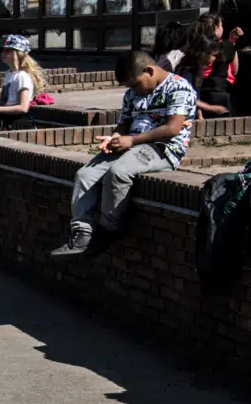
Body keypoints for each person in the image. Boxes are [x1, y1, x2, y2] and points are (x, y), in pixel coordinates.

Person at [51, 51, 196, 260]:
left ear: (148, 70)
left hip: (162, 148)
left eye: (136, 84)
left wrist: (132, 140)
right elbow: (124, 123)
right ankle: (81, 235)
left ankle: (108, 229)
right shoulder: (131, 93)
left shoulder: (178, 87)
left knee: (118, 172)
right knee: (85, 175)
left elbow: (172, 128)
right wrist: (115, 138)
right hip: (131, 143)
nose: (133, 90)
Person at [0, 34, 45, 130]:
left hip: (17, 123)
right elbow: (8, 101)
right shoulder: (9, 73)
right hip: (5, 119)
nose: (3, 53)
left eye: (8, 50)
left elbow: (23, 108)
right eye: (3, 50)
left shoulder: (22, 76)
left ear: (18, 54)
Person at [176, 37, 231, 119]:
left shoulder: (198, 70)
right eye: (213, 55)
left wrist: (200, 116)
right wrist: (210, 108)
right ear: (203, 54)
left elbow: (196, 95)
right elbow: (186, 96)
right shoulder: (187, 71)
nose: (214, 58)